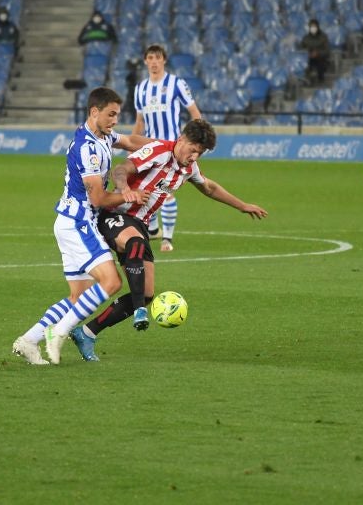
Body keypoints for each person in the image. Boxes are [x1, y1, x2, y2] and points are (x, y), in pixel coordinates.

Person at [67, 119, 268, 362]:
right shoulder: (158, 151)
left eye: (200, 153)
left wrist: (242, 206)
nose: (194, 156)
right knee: (136, 246)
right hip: (116, 214)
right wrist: (125, 190)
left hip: (138, 225)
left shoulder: (188, 168)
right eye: (192, 149)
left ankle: (87, 332)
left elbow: (210, 188)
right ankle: (141, 310)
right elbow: (121, 169)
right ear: (181, 139)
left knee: (149, 292)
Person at [11, 87, 151, 365]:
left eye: (117, 115)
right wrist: (128, 195)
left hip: (67, 221)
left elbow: (131, 140)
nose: (114, 120)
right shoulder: (87, 150)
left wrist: (164, 146)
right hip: (78, 222)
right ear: (94, 112)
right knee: (111, 282)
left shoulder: (103, 135)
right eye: (110, 115)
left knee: (79, 297)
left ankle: (28, 341)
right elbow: (98, 198)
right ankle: (59, 332)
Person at [133, 44, 203, 252]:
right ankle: (154, 230)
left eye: (157, 57)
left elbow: (194, 113)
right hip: (149, 148)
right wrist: (132, 146)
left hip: (173, 148)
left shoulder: (176, 84)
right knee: (146, 189)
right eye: (150, 58)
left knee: (166, 192)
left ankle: (168, 239)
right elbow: (139, 121)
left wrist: (198, 143)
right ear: (145, 61)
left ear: (164, 60)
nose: (154, 61)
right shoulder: (140, 89)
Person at [298, 19, 331, 86]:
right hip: (308, 58)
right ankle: (306, 80)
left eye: (314, 27)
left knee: (321, 64)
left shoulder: (323, 37)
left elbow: (327, 51)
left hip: (320, 58)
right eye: (311, 27)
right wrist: (307, 53)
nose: (313, 28)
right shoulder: (306, 38)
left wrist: (318, 53)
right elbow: (301, 50)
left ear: (318, 27)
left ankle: (320, 79)